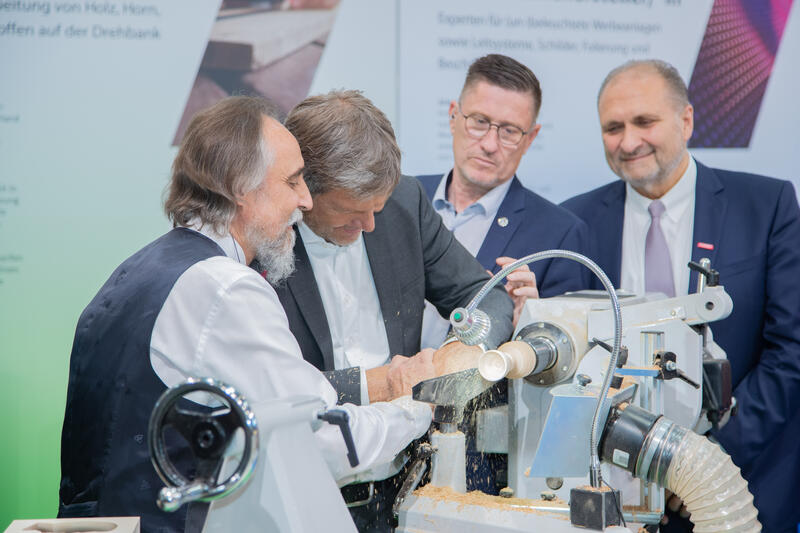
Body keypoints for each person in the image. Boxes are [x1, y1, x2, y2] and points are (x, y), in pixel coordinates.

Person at [58, 96, 432, 533]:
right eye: (293, 181)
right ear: (241, 188)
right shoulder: (226, 289)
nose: (305, 200)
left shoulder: (136, 271)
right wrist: (413, 407)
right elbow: (316, 442)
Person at [561, 59, 800, 533]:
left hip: (742, 482)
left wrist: (698, 463)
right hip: (616, 493)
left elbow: (790, 349)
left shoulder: (766, 206)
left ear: (686, 120)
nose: (629, 141)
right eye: (613, 128)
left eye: (644, 121)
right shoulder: (576, 222)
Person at [268, 89, 515, 531]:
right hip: (306, 495)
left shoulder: (404, 203)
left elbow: (486, 295)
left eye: (376, 209)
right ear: (303, 189)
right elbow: (270, 391)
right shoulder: (264, 235)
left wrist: (461, 350)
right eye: (351, 211)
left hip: (403, 488)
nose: (369, 225)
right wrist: (383, 383)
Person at [417, 54, 590, 349]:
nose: (489, 144)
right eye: (479, 122)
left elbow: (567, 355)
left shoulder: (560, 235)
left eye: (509, 131)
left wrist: (531, 321)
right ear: (453, 116)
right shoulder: (403, 198)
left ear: (530, 138)